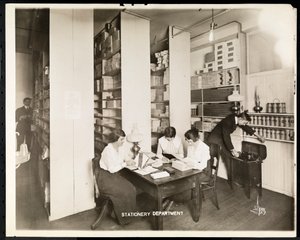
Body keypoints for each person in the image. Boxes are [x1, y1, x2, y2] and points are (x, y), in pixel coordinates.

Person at [207, 110, 265, 187]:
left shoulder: (236, 119)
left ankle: (232, 180)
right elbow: (226, 137)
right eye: (244, 122)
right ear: (240, 119)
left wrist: (259, 136)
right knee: (212, 160)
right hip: (214, 139)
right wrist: (233, 150)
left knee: (230, 158)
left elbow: (246, 127)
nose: (244, 124)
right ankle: (209, 179)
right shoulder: (228, 121)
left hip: (222, 139)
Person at [96, 129, 136, 225]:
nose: (124, 141)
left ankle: (120, 214)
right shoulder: (108, 151)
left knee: (132, 188)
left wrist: (129, 160)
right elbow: (112, 169)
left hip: (114, 175)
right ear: (116, 139)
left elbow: (125, 157)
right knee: (125, 191)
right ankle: (121, 217)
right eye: (122, 139)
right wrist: (125, 164)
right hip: (105, 177)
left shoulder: (120, 147)